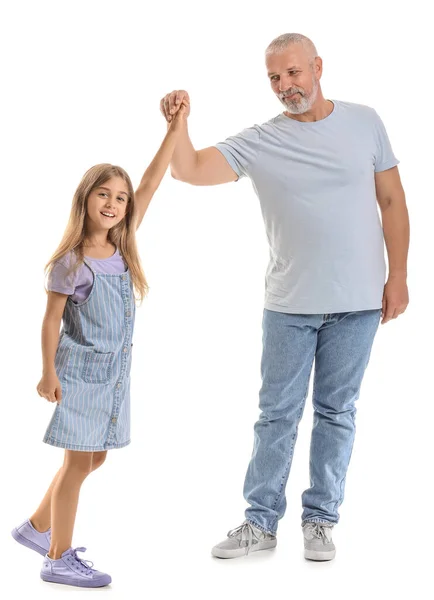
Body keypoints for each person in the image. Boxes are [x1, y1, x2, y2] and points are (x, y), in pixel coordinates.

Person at [160, 32, 410, 561]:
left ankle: (320, 520)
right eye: (274, 78)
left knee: (336, 411)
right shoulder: (261, 140)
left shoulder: (365, 121)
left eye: (293, 73)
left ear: (317, 67)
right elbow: (188, 170)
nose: (285, 86)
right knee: (276, 413)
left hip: (358, 302)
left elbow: (391, 199)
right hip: (290, 303)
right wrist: (179, 126)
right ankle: (260, 522)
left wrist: (398, 276)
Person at [11, 103, 187, 586]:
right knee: (75, 463)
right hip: (80, 373)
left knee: (96, 456)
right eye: (104, 195)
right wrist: (47, 372)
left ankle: (36, 527)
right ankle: (57, 556)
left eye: (121, 198)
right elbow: (51, 321)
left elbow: (152, 182)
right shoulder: (72, 262)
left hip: (113, 373)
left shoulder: (121, 245)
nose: (113, 204)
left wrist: (176, 129)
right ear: (85, 199)